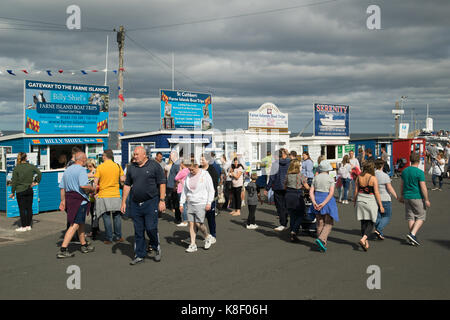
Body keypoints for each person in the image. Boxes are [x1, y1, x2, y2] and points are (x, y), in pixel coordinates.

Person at [121, 146, 166, 265]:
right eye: (134, 154)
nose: (134, 156)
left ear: (144, 155)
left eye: (136, 154)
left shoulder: (154, 165)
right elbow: (127, 185)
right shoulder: (131, 168)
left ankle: (156, 246)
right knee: (138, 230)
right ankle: (139, 254)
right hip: (136, 204)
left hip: (151, 202)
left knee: (151, 228)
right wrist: (123, 201)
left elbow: (162, 183)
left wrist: (162, 200)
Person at [57, 152, 95, 258]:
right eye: (86, 159)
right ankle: (63, 249)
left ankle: (84, 245)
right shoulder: (82, 170)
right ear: (82, 159)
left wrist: (63, 201)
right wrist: (92, 189)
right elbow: (83, 185)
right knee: (75, 224)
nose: (86, 161)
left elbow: (62, 187)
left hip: (70, 200)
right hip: (79, 201)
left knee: (80, 223)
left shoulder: (68, 169)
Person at [179, 161, 215, 253]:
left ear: (197, 166)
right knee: (191, 223)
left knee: (199, 223)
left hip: (201, 202)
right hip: (191, 201)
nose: (191, 171)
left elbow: (211, 190)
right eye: (189, 170)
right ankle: (193, 244)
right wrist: (181, 203)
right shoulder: (188, 176)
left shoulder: (205, 175)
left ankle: (207, 236)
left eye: (192, 169)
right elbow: (185, 190)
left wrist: (209, 203)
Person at [94, 149, 125, 244]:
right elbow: (123, 180)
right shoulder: (118, 166)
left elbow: (95, 182)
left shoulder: (100, 167)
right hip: (115, 194)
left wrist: (95, 193)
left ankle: (109, 238)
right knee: (116, 216)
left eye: (102, 156)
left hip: (104, 195)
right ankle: (118, 236)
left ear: (105, 156)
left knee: (106, 216)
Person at [399, 152, 431, 246]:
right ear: (419, 160)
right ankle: (412, 234)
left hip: (407, 196)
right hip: (417, 196)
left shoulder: (404, 171)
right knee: (421, 216)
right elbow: (423, 187)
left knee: (411, 216)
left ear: (410, 160)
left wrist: (401, 195)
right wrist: (427, 199)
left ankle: (412, 237)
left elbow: (402, 184)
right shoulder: (419, 172)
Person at [354, 161, 384, 252]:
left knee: (363, 221)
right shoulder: (373, 178)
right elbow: (376, 193)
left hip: (360, 199)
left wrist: (354, 201)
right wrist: (381, 205)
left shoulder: (359, 177)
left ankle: (365, 241)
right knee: (371, 221)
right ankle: (363, 239)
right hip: (370, 200)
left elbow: (355, 191)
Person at [309, 160, 338, 252]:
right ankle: (321, 239)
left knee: (319, 222)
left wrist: (314, 202)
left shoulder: (315, 178)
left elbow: (311, 191)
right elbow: (331, 193)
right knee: (329, 223)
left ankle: (322, 244)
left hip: (317, 199)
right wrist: (324, 203)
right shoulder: (330, 179)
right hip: (327, 201)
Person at [10, 152, 42, 232]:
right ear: (26, 158)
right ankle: (28, 225)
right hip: (29, 189)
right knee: (29, 208)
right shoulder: (30, 166)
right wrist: (35, 182)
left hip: (20, 190)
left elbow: (14, 181)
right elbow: (39, 173)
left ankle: (23, 226)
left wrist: (12, 192)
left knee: (22, 209)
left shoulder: (17, 168)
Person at [265, 149, 291, 231]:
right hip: (288, 186)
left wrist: (267, 188)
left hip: (278, 186)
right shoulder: (290, 162)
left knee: (280, 206)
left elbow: (272, 177)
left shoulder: (275, 164)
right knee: (287, 206)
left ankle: (283, 223)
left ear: (276, 156)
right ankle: (288, 224)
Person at [284, 160, 309, 242]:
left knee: (292, 215)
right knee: (301, 215)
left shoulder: (287, 175)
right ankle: (294, 231)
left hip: (288, 195)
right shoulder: (300, 175)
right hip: (297, 195)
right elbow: (306, 186)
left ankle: (292, 232)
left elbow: (284, 186)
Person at [373, 159, 398, 240]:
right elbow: (389, 188)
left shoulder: (372, 175)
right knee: (387, 216)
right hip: (385, 198)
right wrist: (396, 196)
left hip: (375, 198)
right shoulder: (385, 175)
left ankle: (379, 233)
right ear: (382, 165)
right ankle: (379, 229)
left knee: (378, 216)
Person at [200, 154, 219, 244]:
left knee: (210, 217)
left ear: (207, 161)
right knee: (199, 219)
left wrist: (210, 198)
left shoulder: (212, 170)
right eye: (200, 159)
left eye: (203, 160)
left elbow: (214, 186)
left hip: (210, 198)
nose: (201, 161)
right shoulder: (198, 169)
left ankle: (213, 235)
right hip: (199, 198)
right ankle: (202, 236)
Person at [167, 150, 182, 224]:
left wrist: (175, 186)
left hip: (174, 187)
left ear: (174, 156)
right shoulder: (174, 163)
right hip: (171, 186)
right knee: (174, 203)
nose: (169, 157)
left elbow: (179, 177)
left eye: (170, 155)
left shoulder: (177, 164)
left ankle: (178, 219)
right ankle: (177, 218)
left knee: (176, 204)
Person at [86, 158, 99, 240]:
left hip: (94, 196)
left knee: (94, 214)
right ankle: (96, 229)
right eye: (87, 166)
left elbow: (95, 180)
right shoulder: (90, 172)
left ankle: (93, 232)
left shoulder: (95, 172)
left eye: (90, 166)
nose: (88, 167)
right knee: (93, 214)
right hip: (90, 196)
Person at [175, 160, 190, 227]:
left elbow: (176, 177)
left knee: (183, 205)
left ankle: (184, 221)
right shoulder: (189, 170)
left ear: (182, 164)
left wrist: (180, 170)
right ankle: (187, 219)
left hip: (181, 189)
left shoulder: (183, 171)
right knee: (186, 205)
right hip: (187, 189)